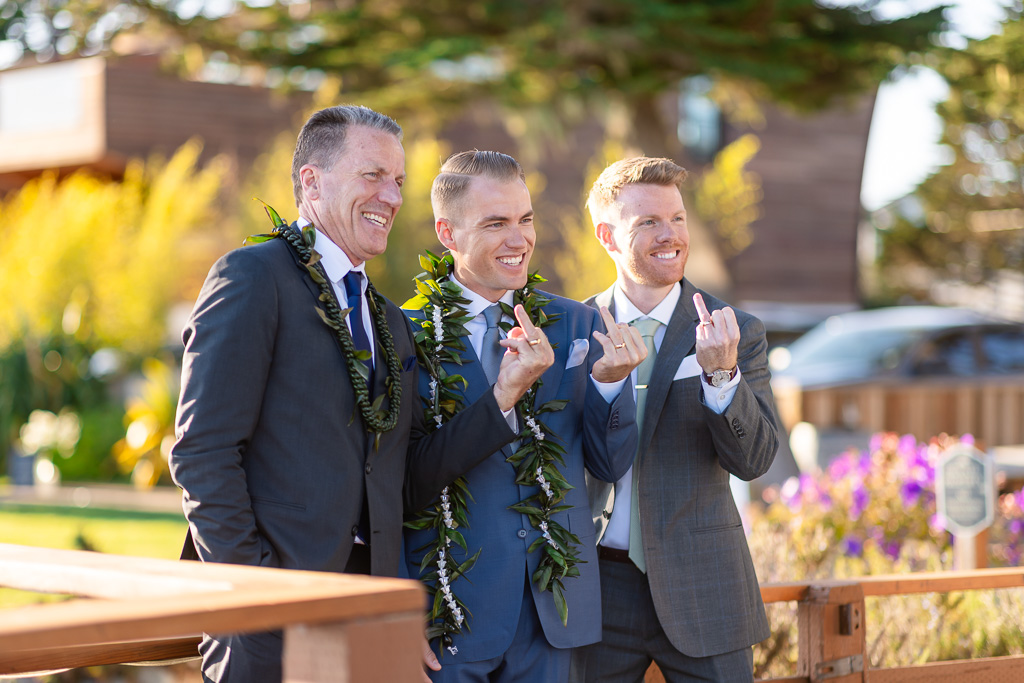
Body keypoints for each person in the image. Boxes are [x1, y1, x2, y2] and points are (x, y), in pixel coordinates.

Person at [169, 107, 548, 683]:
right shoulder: (252, 277)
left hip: (368, 613)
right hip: (270, 607)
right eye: (372, 175)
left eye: (397, 181)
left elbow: (404, 479)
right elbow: (202, 452)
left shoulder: (388, 320)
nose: (391, 197)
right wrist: (253, 589)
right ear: (311, 183)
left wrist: (503, 396)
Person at [402, 150, 644, 682]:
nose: (519, 240)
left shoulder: (578, 323)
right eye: (496, 224)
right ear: (448, 232)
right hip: (448, 614)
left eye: (525, 219)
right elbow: (397, 483)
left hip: (552, 612)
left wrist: (610, 386)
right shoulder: (403, 334)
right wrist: (397, 614)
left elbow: (609, 464)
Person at [575, 156, 779, 682]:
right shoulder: (571, 331)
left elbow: (754, 461)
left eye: (678, 218)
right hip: (599, 590)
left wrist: (721, 378)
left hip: (705, 585)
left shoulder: (737, 330)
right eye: (647, 222)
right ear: (607, 236)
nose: (670, 235)